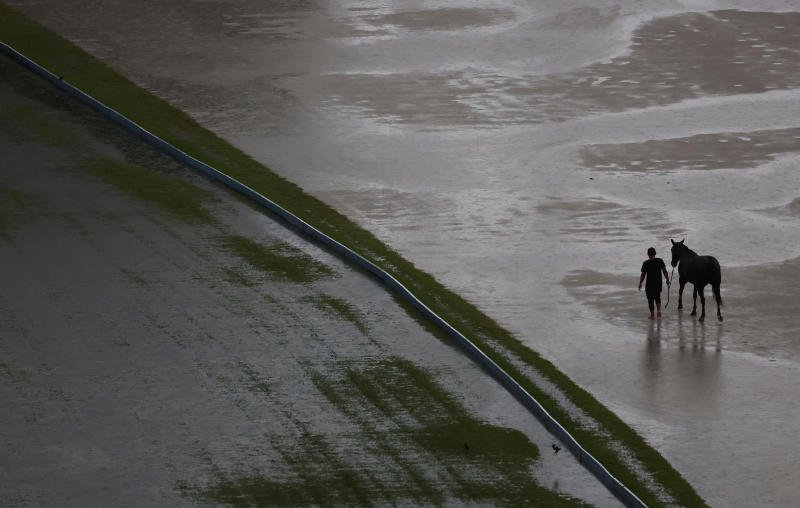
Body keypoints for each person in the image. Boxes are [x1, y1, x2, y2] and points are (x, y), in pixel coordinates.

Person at [639, 247, 670, 319]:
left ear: (648, 254)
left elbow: (643, 275)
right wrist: (667, 279)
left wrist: (640, 283)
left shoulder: (646, 263)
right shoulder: (660, 261)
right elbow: (664, 271)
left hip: (649, 284)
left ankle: (652, 315)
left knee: (650, 299)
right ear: (655, 253)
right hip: (658, 283)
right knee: (657, 297)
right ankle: (658, 311)